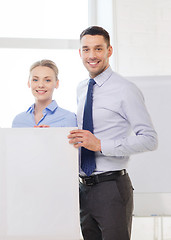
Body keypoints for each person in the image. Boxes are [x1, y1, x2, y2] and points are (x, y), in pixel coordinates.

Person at [68, 26, 158, 240]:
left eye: (98, 49)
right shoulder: (81, 88)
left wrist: (101, 145)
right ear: (80, 53)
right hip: (83, 189)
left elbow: (149, 139)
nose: (92, 55)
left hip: (111, 188)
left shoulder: (125, 89)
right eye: (86, 49)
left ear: (109, 51)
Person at [12, 59, 77, 128]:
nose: (41, 85)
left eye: (47, 80)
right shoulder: (18, 120)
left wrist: (51, 135)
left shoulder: (68, 118)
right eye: (35, 80)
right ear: (29, 83)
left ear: (56, 84)